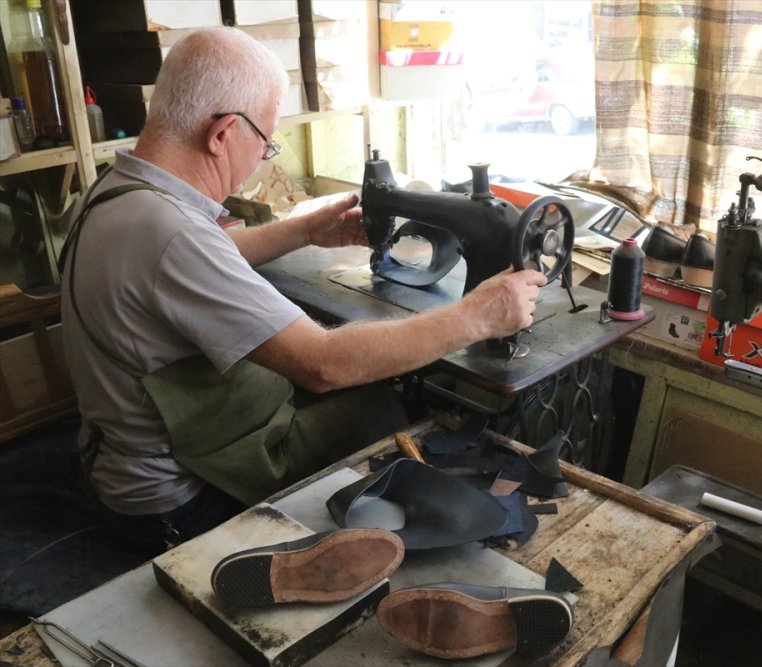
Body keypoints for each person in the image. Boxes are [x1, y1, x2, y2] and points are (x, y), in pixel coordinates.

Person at [60, 26, 547, 556]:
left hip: (112, 463)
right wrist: (477, 316)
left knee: (359, 392)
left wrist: (303, 231)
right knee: (379, 406)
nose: (262, 159)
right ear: (221, 134)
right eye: (266, 142)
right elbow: (323, 364)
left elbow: (193, 263)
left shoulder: (119, 192)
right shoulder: (173, 235)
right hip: (177, 503)